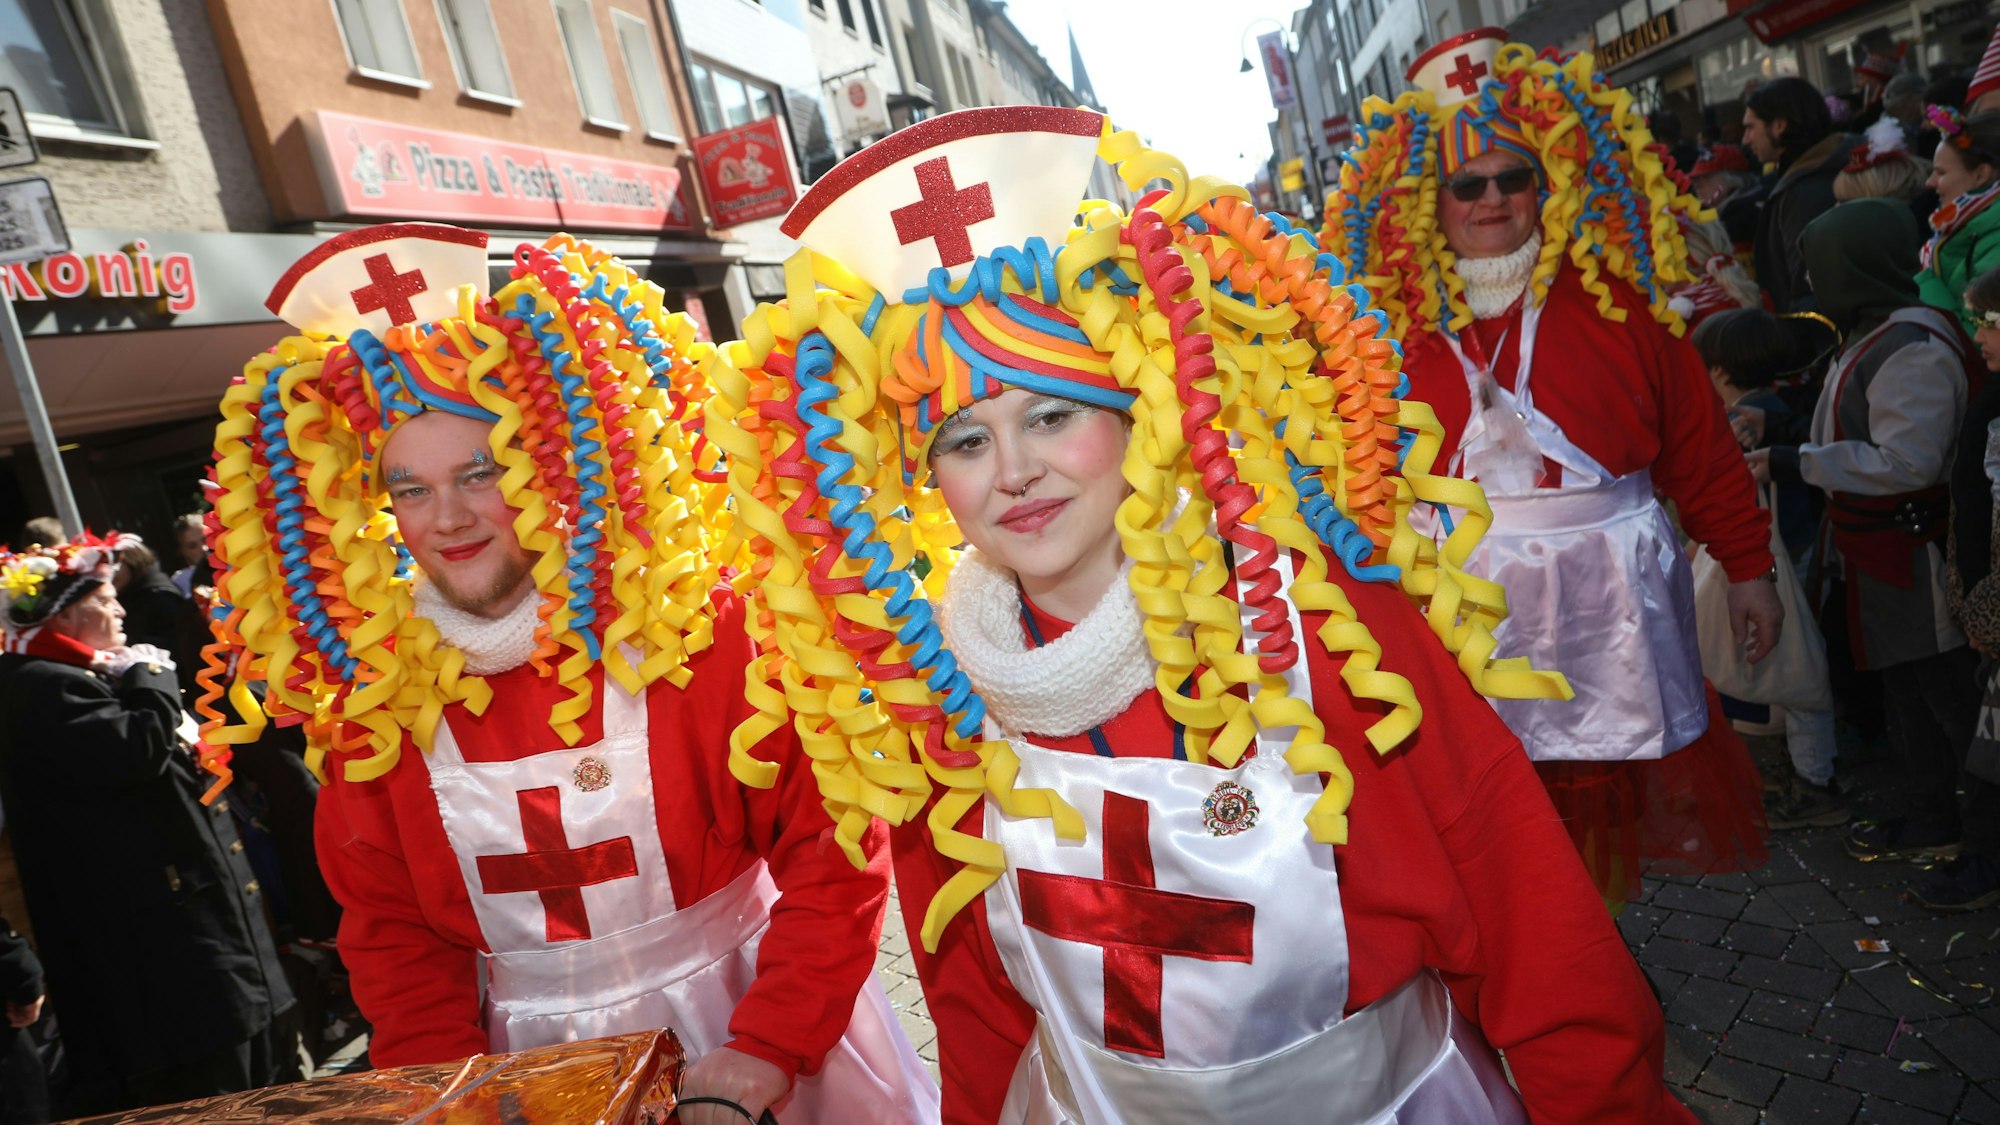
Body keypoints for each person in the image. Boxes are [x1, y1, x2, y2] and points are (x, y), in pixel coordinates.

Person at [713, 102, 1698, 1124]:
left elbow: (1525, 922)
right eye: (963, 442)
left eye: (1050, 415)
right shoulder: (937, 702)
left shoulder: (1315, 635)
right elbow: (971, 1005)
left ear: (1140, 419)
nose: (1012, 472)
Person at [202, 226, 936, 1125]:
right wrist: (442, 1101)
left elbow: (836, 856)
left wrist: (767, 1045)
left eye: (481, 471)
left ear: (547, 468)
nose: (449, 517)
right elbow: (399, 951)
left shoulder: (694, 637)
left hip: (769, 1048)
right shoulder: (375, 707)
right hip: (528, 1083)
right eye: (412, 487)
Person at [1324, 29, 1778, 904]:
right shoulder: (1383, 331)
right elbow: (1358, 483)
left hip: (1611, 607)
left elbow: (1699, 446)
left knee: (1600, 815)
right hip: (1463, 613)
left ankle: (1597, 954)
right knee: (1493, 813)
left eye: (1513, 177)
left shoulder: (1623, 302)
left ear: (1549, 183)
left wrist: (1750, 566)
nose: (1491, 199)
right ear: (1430, 198)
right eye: (1467, 183)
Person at [0, 533, 296, 1115]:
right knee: (219, 1099)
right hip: (169, 966)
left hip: (219, 946)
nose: (120, 611)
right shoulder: (35, 684)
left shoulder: (96, 675)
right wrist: (153, 680)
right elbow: (131, 752)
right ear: (63, 614)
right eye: (105, 600)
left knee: (275, 1090)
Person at [1751, 200, 1985, 874]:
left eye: (1822, 270)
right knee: (1905, 691)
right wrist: (1782, 435)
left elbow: (1907, 461)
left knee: (1944, 695)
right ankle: (1929, 812)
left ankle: (1967, 829)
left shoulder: (1912, 347)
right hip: (1879, 550)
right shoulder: (1875, 331)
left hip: (1914, 551)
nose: (1816, 285)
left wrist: (1796, 460)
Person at [1693, 308, 1845, 827]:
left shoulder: (1741, 423)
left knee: (1797, 670)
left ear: (1715, 371)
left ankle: (1810, 780)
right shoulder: (1782, 408)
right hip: (1802, 546)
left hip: (1776, 558)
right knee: (1796, 667)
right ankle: (1803, 773)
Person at [1934, 263, 2000, 910]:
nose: (1976, 334)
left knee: (1990, 753)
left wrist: (1986, 607)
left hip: (1995, 614)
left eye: (1986, 321)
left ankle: (1983, 859)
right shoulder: (1992, 397)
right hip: (1986, 609)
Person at [1744, 77, 1854, 312]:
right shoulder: (1813, 173)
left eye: (1751, 127)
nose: (1746, 139)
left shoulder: (1806, 190)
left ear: (1779, 126)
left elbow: (1807, 290)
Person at [1918, 108, 2000, 336]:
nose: (1930, 182)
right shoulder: (1962, 225)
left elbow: (1982, 338)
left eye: (1940, 173)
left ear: (1981, 175)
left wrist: (1925, 281)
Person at [113, 540, 209, 701]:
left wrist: (131, 644)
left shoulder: (160, 596)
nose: (111, 572)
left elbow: (179, 643)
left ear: (133, 561)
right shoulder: (130, 594)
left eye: (116, 564)